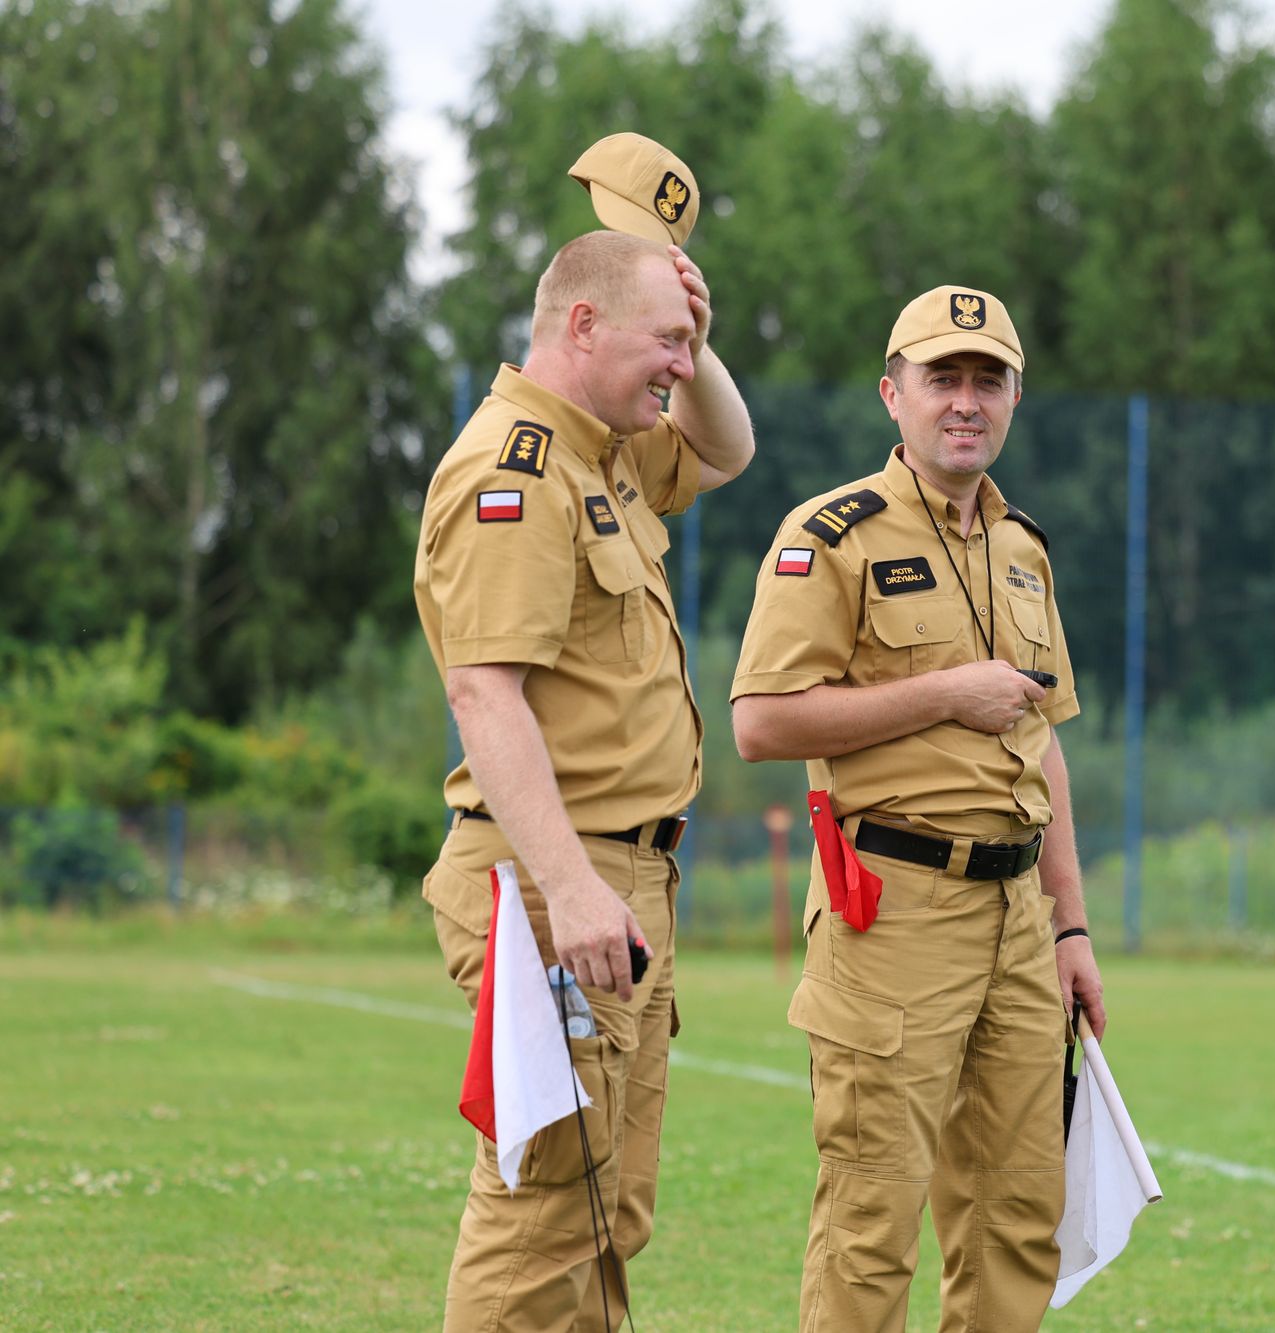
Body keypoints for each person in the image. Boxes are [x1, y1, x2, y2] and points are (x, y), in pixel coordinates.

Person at [413, 133, 753, 1331]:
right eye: (666, 341)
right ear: (582, 329)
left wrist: (688, 329)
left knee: (605, 1208)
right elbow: (484, 697)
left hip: (620, 877)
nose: (683, 363)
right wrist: (571, 888)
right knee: (546, 1203)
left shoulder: (601, 457)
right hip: (558, 879)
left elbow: (730, 447)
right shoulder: (516, 472)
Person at [731, 285, 1107, 1332]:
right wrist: (945, 692)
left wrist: (1068, 924)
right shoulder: (830, 534)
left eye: (988, 380)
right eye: (942, 376)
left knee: (1016, 1215)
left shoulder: (1021, 547)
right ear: (891, 393)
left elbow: (1044, 745)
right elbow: (760, 722)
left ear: (1014, 399)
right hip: (891, 910)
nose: (965, 400)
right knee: (872, 1217)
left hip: (1017, 924)